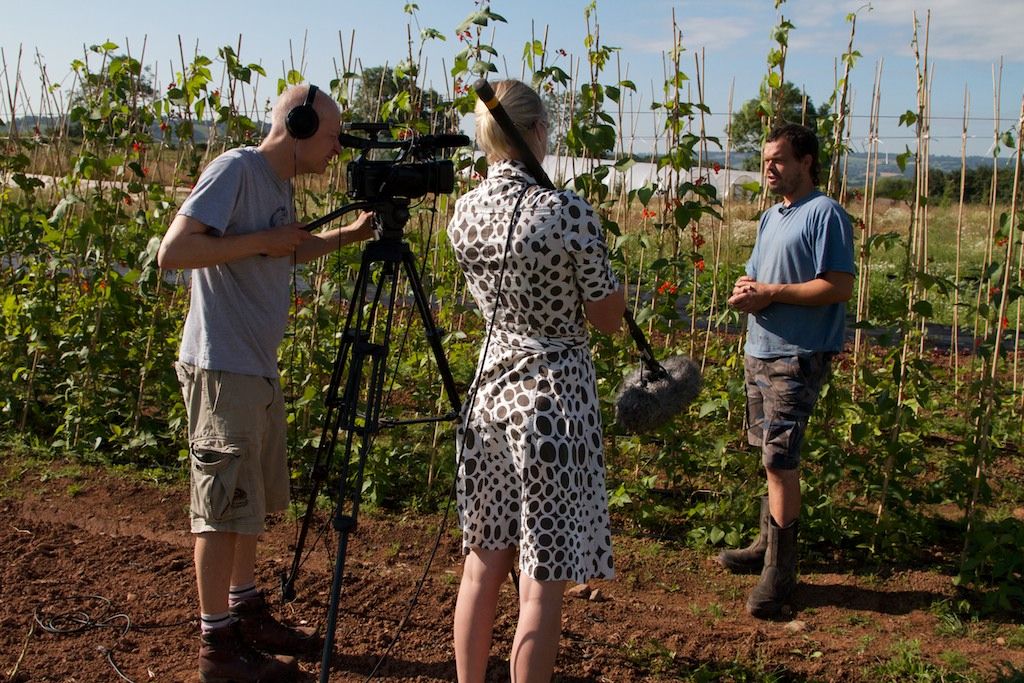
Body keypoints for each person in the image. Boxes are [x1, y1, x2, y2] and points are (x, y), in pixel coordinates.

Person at [158, 84, 374, 682]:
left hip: (253, 366)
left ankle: (245, 609)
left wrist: (349, 235)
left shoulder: (278, 184)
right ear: (297, 128)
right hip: (221, 366)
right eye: (332, 136)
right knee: (221, 508)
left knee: (245, 502)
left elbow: (281, 252)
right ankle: (217, 646)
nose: (337, 148)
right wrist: (262, 241)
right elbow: (174, 252)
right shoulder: (236, 169)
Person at [447, 79, 625, 682]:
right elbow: (607, 318)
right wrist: (616, 289)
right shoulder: (566, 211)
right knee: (541, 583)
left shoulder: (465, 212)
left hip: (489, 394)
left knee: (480, 568)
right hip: (553, 401)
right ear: (538, 132)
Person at [721, 122, 855, 619]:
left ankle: (781, 572)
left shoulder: (825, 214)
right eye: (765, 161)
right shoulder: (770, 217)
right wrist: (747, 288)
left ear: (806, 162)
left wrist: (772, 293)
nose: (769, 169)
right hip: (761, 349)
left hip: (797, 354)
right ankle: (766, 546)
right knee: (767, 453)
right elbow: (759, 274)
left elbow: (837, 285)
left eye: (778, 159)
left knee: (781, 459)